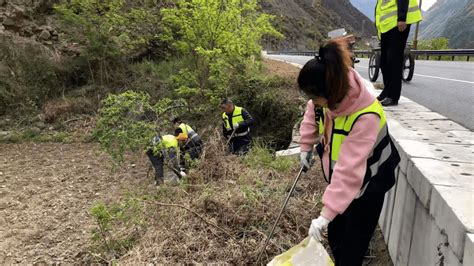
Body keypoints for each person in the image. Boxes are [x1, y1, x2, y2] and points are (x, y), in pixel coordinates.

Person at [297, 39, 400, 265]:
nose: (312, 103)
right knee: (336, 236)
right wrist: (305, 146)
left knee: (352, 249)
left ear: (331, 94)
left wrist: (325, 216)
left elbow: (349, 172)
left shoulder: (366, 116)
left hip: (371, 182)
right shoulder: (327, 95)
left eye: (315, 98)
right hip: (346, 180)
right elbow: (311, 115)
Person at [375, 0, 422, 106]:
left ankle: (393, 96)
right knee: (384, 62)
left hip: (397, 23)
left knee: (393, 60)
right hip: (387, 25)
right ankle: (387, 91)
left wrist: (401, 18)